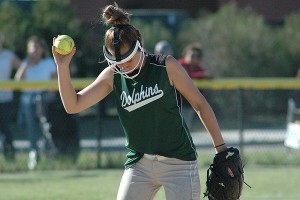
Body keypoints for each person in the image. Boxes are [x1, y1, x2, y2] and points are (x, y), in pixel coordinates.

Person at [52, 4, 227, 200]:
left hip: (179, 162)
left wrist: (221, 149)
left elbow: (200, 104)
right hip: (140, 163)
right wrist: (62, 67)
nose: (123, 66)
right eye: (117, 62)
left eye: (128, 59)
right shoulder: (113, 76)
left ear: (139, 46)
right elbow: (73, 105)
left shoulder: (165, 65)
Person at [15, 35, 57, 169]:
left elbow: (55, 81)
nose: (34, 51)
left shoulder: (48, 62)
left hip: (45, 99)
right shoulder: (25, 64)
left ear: (42, 50)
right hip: (28, 99)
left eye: (37, 48)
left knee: (46, 128)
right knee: (32, 128)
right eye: (32, 48)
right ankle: (34, 154)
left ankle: (48, 154)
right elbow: (17, 82)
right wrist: (24, 67)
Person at [178, 43, 214, 128]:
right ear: (186, 54)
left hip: (188, 104)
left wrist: (206, 75)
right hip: (175, 102)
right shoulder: (179, 64)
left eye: (196, 56)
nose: (193, 58)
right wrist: (202, 75)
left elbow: (208, 76)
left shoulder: (198, 68)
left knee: (185, 127)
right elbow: (186, 76)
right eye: (191, 55)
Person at [0, 32, 21, 161]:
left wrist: (17, 79)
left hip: (6, 98)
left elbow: (23, 65)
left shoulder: (8, 55)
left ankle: (9, 157)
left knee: (6, 128)